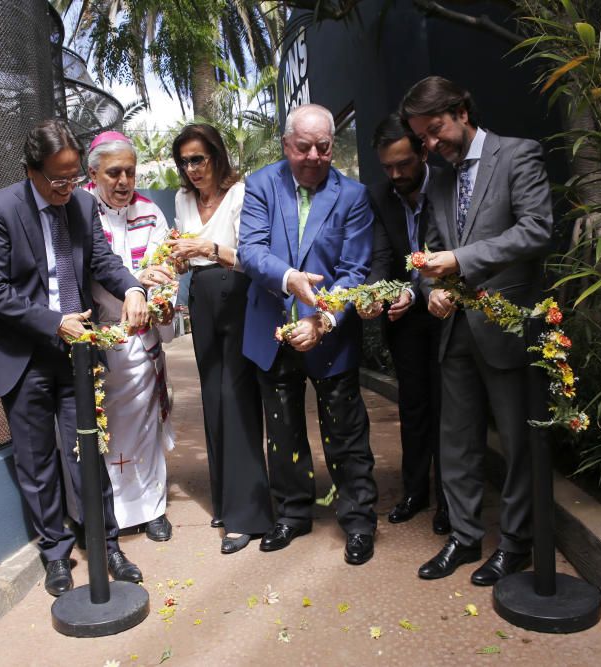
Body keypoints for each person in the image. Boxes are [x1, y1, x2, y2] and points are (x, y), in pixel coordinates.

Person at [0, 119, 147, 597]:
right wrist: (52, 322)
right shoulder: (0, 209)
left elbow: (102, 263)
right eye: (58, 180)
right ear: (31, 171)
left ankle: (106, 544)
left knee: (88, 450)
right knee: (37, 461)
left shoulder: (84, 204)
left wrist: (132, 287)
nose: (68, 188)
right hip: (24, 352)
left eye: (74, 178)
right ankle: (55, 553)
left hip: (78, 350)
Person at [399, 76, 554, 585]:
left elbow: (536, 229)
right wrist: (430, 289)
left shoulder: (518, 155)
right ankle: (464, 538)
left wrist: (459, 262)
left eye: (436, 130)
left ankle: (515, 544)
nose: (431, 144)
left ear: (463, 110)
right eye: (423, 137)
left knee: (514, 443)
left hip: (507, 324)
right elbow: (428, 257)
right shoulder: (438, 178)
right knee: (458, 443)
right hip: (455, 329)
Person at [238, 104, 379, 566]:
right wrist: (289, 280)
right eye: (304, 147)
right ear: (286, 145)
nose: (314, 156)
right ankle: (293, 514)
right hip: (272, 329)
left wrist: (322, 320)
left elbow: (356, 270)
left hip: (330, 334)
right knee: (282, 430)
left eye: (323, 147)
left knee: (346, 430)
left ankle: (358, 520)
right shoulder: (260, 185)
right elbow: (252, 250)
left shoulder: (353, 195)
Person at [168, 123, 274, 555]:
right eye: (185, 161)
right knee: (212, 398)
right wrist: (177, 259)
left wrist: (204, 249)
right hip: (201, 299)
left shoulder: (241, 193)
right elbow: (184, 256)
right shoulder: (180, 198)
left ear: (216, 155)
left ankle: (248, 514)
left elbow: (250, 256)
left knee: (237, 398)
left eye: (199, 158)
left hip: (237, 294)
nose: (192, 169)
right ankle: (226, 499)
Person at [84, 130, 176, 542]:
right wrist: (138, 280)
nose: (124, 182)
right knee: (105, 434)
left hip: (141, 340)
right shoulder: (79, 210)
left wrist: (161, 292)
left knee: (146, 429)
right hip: (98, 338)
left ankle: (152, 508)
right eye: (114, 173)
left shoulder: (152, 212)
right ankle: (111, 515)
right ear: (93, 173)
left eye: (131, 173)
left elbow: (165, 270)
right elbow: (87, 272)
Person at [362, 114, 449, 535]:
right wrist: (377, 292)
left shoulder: (448, 185)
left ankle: (451, 500)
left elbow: (450, 248)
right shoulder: (381, 197)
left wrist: (416, 290)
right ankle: (416, 492)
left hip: (450, 308)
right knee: (413, 407)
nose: (396, 174)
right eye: (388, 167)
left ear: (422, 153)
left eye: (404, 164)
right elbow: (381, 258)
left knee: (450, 408)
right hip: (405, 316)